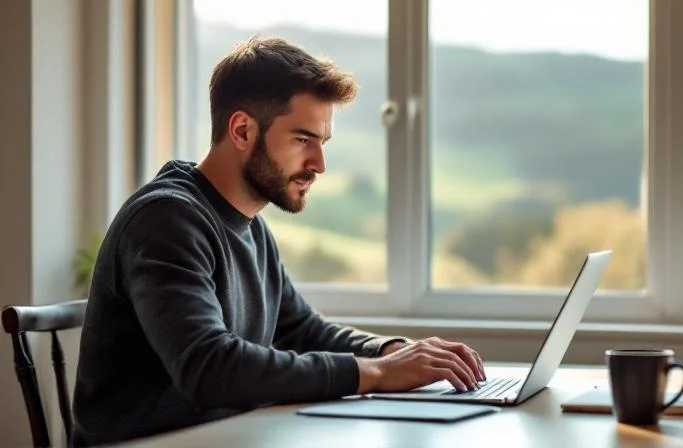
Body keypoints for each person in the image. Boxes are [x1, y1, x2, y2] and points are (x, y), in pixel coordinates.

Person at [70, 36, 486, 446]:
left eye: (323, 143)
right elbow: (208, 367)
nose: (319, 164)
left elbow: (301, 329)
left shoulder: (250, 226)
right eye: (303, 140)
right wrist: (377, 374)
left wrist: (389, 351)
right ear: (242, 130)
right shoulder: (166, 219)